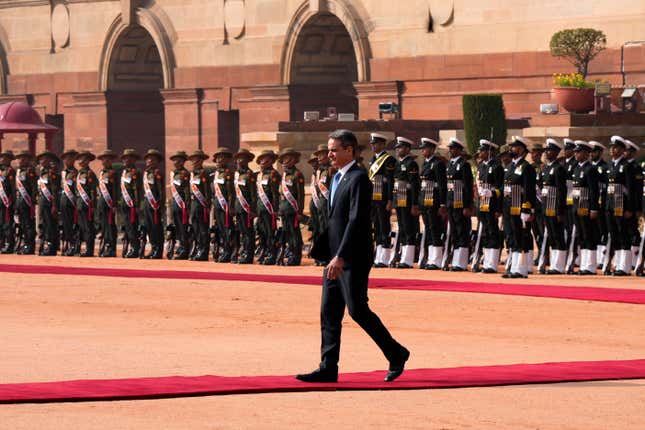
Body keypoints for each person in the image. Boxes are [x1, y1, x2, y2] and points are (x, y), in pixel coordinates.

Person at [296, 129, 410, 384]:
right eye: (329, 150)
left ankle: (396, 353)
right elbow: (333, 218)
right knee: (329, 311)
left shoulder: (359, 178)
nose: (330, 155)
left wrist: (342, 256)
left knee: (357, 310)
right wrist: (326, 250)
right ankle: (328, 366)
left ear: (350, 150)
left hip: (353, 257)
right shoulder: (336, 177)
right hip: (334, 256)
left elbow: (357, 220)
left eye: (334, 150)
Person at [501, 136, 536, 278]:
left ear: (521, 149)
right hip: (509, 207)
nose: (511, 149)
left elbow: (529, 190)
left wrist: (527, 209)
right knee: (512, 237)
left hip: (520, 208)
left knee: (520, 237)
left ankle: (521, 269)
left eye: (514, 147)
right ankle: (513, 267)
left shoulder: (526, 167)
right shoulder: (510, 166)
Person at [570, 141, 600, 274]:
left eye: (578, 151)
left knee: (589, 235)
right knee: (581, 236)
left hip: (586, 206)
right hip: (577, 206)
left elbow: (594, 191)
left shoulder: (591, 169)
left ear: (586, 153)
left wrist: (594, 209)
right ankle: (583, 264)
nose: (575, 154)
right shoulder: (576, 168)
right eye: (575, 151)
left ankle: (590, 266)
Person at [417, 137, 447, 270]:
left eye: (425, 148)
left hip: (434, 200)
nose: (423, 150)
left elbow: (442, 185)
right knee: (428, 228)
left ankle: (436, 259)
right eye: (422, 148)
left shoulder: (437, 163)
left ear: (432, 149)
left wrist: (442, 204)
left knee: (435, 228)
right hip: (425, 200)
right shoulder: (425, 163)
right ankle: (430, 258)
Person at [540, 139, 568, 274]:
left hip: (555, 207)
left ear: (556, 152)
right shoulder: (546, 168)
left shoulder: (559, 169)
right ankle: (554, 264)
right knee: (551, 236)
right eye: (546, 150)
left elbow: (561, 192)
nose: (547, 152)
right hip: (546, 207)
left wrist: (560, 211)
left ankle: (559, 265)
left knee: (558, 236)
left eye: (550, 150)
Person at [368, 133, 396, 268]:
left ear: (382, 145)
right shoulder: (373, 159)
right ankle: (378, 254)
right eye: (372, 144)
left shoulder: (388, 159)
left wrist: (390, 199)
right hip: (373, 197)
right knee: (377, 226)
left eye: (376, 143)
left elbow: (390, 181)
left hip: (384, 197)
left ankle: (385, 256)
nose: (373, 146)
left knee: (384, 225)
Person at [475, 139, 504, 273]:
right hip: (482, 203)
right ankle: (486, 262)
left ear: (489, 151)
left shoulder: (497, 166)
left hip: (492, 203)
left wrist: (498, 207)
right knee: (485, 232)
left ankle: (492, 263)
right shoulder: (481, 166)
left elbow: (501, 188)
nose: (479, 153)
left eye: (482, 150)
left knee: (493, 231)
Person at [445, 137, 473, 271]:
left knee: (462, 231)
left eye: (453, 148)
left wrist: (468, 206)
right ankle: (455, 260)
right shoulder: (450, 165)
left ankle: (461, 262)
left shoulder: (464, 165)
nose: (451, 151)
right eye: (450, 148)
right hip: (451, 202)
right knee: (454, 232)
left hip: (460, 202)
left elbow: (467, 187)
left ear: (460, 150)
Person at [392, 136, 420, 268]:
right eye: (397, 148)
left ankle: (408, 259)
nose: (398, 150)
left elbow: (414, 185)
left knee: (408, 228)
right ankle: (403, 256)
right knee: (402, 227)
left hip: (407, 198)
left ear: (408, 149)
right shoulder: (398, 163)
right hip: (399, 197)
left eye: (401, 147)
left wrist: (414, 203)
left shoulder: (411, 163)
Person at [278, 147, 305, 266]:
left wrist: (300, 211)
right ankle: (289, 252)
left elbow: (300, 194)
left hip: (292, 210)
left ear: (293, 160)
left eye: (287, 158)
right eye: (283, 159)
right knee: (286, 233)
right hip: (284, 209)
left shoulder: (297, 175)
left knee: (294, 234)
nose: (285, 161)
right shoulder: (284, 175)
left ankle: (296, 255)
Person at [255, 149, 281, 265]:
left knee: (270, 232)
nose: (263, 161)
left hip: (269, 209)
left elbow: (275, 194)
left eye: (266, 158)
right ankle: (264, 251)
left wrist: (275, 210)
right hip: (260, 208)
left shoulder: (273, 174)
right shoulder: (260, 175)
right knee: (261, 232)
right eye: (261, 158)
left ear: (271, 161)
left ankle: (272, 253)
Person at [232, 148, 257, 264]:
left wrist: (252, 209)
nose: (239, 160)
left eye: (242, 158)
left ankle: (248, 254)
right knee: (241, 231)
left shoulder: (249, 175)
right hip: (238, 207)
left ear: (247, 160)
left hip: (247, 208)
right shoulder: (236, 175)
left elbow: (253, 195)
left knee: (248, 232)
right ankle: (243, 252)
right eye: (238, 158)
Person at [211, 147, 235, 262]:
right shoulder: (216, 174)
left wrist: (230, 207)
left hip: (225, 206)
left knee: (227, 230)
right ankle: (223, 249)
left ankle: (228, 251)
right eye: (218, 157)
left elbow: (231, 193)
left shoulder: (228, 173)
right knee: (220, 229)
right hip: (217, 205)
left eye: (222, 158)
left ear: (227, 160)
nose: (219, 160)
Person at [188, 149, 212, 261]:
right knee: (195, 229)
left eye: (196, 159)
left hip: (201, 205)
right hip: (193, 205)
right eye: (192, 160)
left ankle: (203, 251)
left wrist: (207, 205)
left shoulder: (204, 174)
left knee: (203, 229)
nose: (193, 162)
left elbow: (207, 192)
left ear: (201, 161)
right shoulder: (192, 174)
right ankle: (198, 248)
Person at [168, 150, 191, 260]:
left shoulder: (185, 174)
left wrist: (186, 205)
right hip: (174, 204)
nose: (176, 162)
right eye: (174, 160)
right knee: (177, 227)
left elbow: (187, 191)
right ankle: (181, 245)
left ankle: (184, 249)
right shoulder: (173, 173)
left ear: (183, 162)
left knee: (183, 228)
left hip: (182, 205)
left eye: (178, 160)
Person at [119, 149, 143, 258]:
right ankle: (131, 247)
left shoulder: (135, 172)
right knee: (127, 226)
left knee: (133, 227)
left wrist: (137, 204)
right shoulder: (125, 172)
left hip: (132, 204)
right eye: (124, 158)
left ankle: (135, 248)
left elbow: (136, 190)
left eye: (128, 157)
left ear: (133, 159)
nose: (125, 159)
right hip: (124, 203)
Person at [36, 151, 60, 256]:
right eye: (41, 159)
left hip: (49, 202)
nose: (43, 161)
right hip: (41, 202)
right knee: (42, 224)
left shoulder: (51, 173)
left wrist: (54, 205)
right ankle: (42, 244)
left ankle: (50, 246)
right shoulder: (41, 173)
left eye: (45, 159)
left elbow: (54, 190)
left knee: (50, 225)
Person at [142, 149, 165, 259]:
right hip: (147, 202)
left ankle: (158, 250)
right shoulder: (146, 173)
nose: (149, 160)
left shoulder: (157, 173)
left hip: (155, 203)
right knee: (149, 227)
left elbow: (160, 190)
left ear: (157, 161)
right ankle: (153, 248)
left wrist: (160, 204)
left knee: (156, 227)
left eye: (152, 158)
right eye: (148, 158)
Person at [590, 141, 610, 268]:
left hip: (602, 202)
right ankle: (594, 258)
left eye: (594, 151)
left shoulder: (605, 167)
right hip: (591, 202)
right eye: (590, 151)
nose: (592, 154)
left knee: (603, 229)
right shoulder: (588, 167)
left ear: (600, 152)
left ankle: (602, 258)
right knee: (593, 230)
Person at [75, 151, 98, 257]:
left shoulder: (90, 174)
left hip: (87, 204)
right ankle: (82, 248)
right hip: (80, 204)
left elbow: (93, 190)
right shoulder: (80, 173)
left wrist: (92, 205)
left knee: (88, 228)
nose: (81, 161)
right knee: (82, 227)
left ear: (88, 161)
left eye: (84, 159)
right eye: (80, 159)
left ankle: (89, 250)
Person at [96, 149, 119, 257]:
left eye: (107, 159)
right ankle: (106, 244)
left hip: (109, 203)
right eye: (103, 159)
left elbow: (115, 189)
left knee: (110, 226)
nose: (105, 161)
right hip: (102, 202)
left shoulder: (112, 173)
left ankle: (111, 247)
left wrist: (114, 204)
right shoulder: (102, 173)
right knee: (104, 225)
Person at [15, 150, 37, 254]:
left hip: (27, 201)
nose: (20, 160)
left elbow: (33, 187)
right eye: (19, 158)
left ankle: (30, 245)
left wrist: (32, 201)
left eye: (23, 158)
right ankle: (25, 244)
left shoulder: (30, 171)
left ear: (28, 160)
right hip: (20, 201)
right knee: (22, 224)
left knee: (29, 225)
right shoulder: (18, 171)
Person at [59, 149, 79, 256]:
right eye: (66, 158)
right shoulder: (62, 173)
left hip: (71, 203)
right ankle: (67, 243)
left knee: (72, 225)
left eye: (71, 158)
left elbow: (77, 189)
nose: (68, 160)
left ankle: (73, 244)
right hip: (63, 202)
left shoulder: (75, 173)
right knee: (65, 225)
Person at [0, 150, 16, 254]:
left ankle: (9, 244)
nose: (2, 159)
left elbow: (13, 187)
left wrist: (12, 200)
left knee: (7, 224)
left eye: (5, 157)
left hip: (6, 201)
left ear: (9, 160)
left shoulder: (10, 171)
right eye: (1, 157)